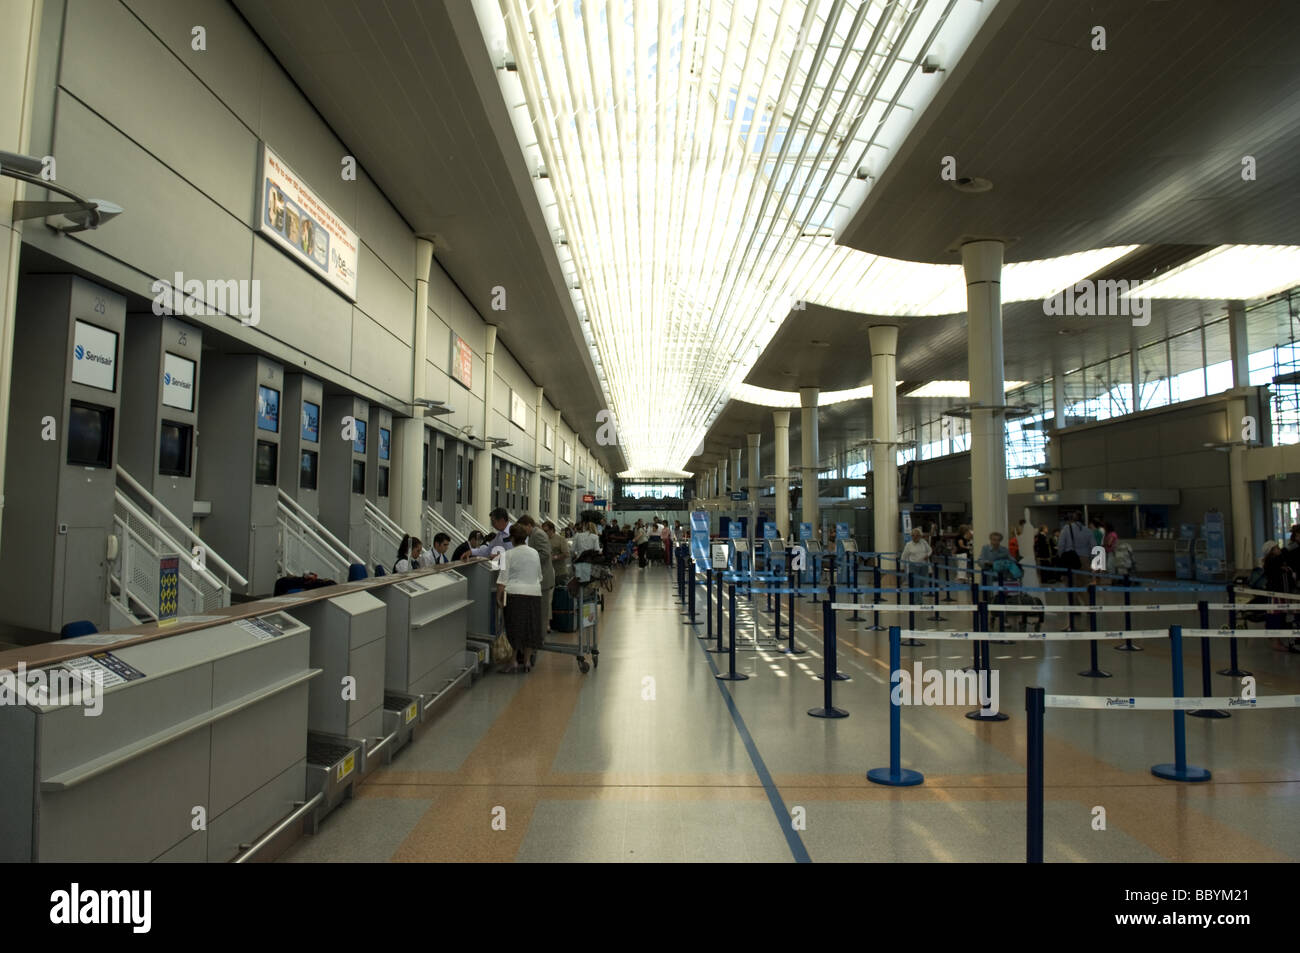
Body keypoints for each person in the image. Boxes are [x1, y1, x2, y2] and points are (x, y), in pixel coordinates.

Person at [496, 524, 543, 673]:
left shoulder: (507, 554)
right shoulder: (534, 553)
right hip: (534, 594)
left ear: (513, 538)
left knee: (514, 627)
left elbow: (502, 581)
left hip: (515, 595)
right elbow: (539, 576)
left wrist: (499, 598)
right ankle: (527, 662)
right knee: (530, 627)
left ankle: (513, 661)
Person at [517, 515, 554, 633]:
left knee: (542, 613)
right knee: (538, 612)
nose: (522, 531)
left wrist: (529, 559)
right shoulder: (533, 534)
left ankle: (540, 639)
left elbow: (545, 554)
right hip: (538, 580)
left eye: (523, 528)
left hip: (543, 580)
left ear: (529, 525)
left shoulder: (538, 534)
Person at [1058, 512, 1092, 630]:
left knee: (1071, 585)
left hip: (1071, 559)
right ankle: (1089, 607)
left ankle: (1074, 608)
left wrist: (1061, 557)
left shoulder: (1066, 529)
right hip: (1085, 560)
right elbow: (1094, 546)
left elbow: (1061, 545)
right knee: (1083, 584)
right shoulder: (1088, 530)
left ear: (1071, 519)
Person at [571, 520, 602, 584]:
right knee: (591, 582)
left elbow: (572, 549)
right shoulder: (595, 537)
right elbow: (597, 550)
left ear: (584, 527)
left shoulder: (577, 535)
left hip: (579, 561)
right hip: (590, 563)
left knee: (580, 582)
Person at [545, 520, 571, 586]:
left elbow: (567, 554)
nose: (544, 532)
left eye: (546, 531)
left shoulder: (560, 539)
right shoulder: (544, 539)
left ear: (551, 530)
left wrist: (555, 557)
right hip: (548, 573)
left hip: (559, 572)